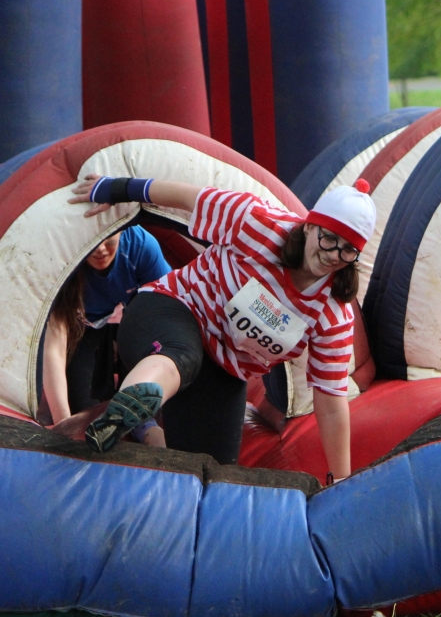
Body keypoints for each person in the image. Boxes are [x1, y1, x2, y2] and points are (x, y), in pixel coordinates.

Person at [70, 174, 377, 482]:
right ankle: (127, 406)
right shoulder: (258, 223)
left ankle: (144, 426)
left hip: (223, 370)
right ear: (309, 226)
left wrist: (341, 479)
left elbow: (331, 401)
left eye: (348, 250)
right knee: (182, 354)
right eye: (329, 238)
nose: (333, 255)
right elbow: (187, 197)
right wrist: (114, 188)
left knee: (213, 475)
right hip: (171, 310)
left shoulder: (332, 313)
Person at [40, 226, 171, 445]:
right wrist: (63, 423)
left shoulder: (140, 246)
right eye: (93, 237)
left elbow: (168, 312)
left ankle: (144, 423)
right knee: (80, 406)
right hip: (82, 322)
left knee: (147, 339)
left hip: (133, 317)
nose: (100, 248)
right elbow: (54, 347)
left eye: (108, 236)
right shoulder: (63, 256)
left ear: (122, 228)